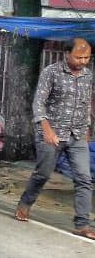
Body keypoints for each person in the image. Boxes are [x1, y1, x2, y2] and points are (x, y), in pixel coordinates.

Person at [15, 39, 95, 239]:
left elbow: (86, 103)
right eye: (79, 57)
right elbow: (39, 103)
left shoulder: (88, 75)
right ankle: (25, 203)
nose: (83, 61)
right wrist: (46, 129)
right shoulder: (51, 72)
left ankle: (83, 224)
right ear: (66, 54)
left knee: (84, 179)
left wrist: (87, 128)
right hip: (52, 134)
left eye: (86, 57)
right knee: (43, 174)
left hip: (77, 135)